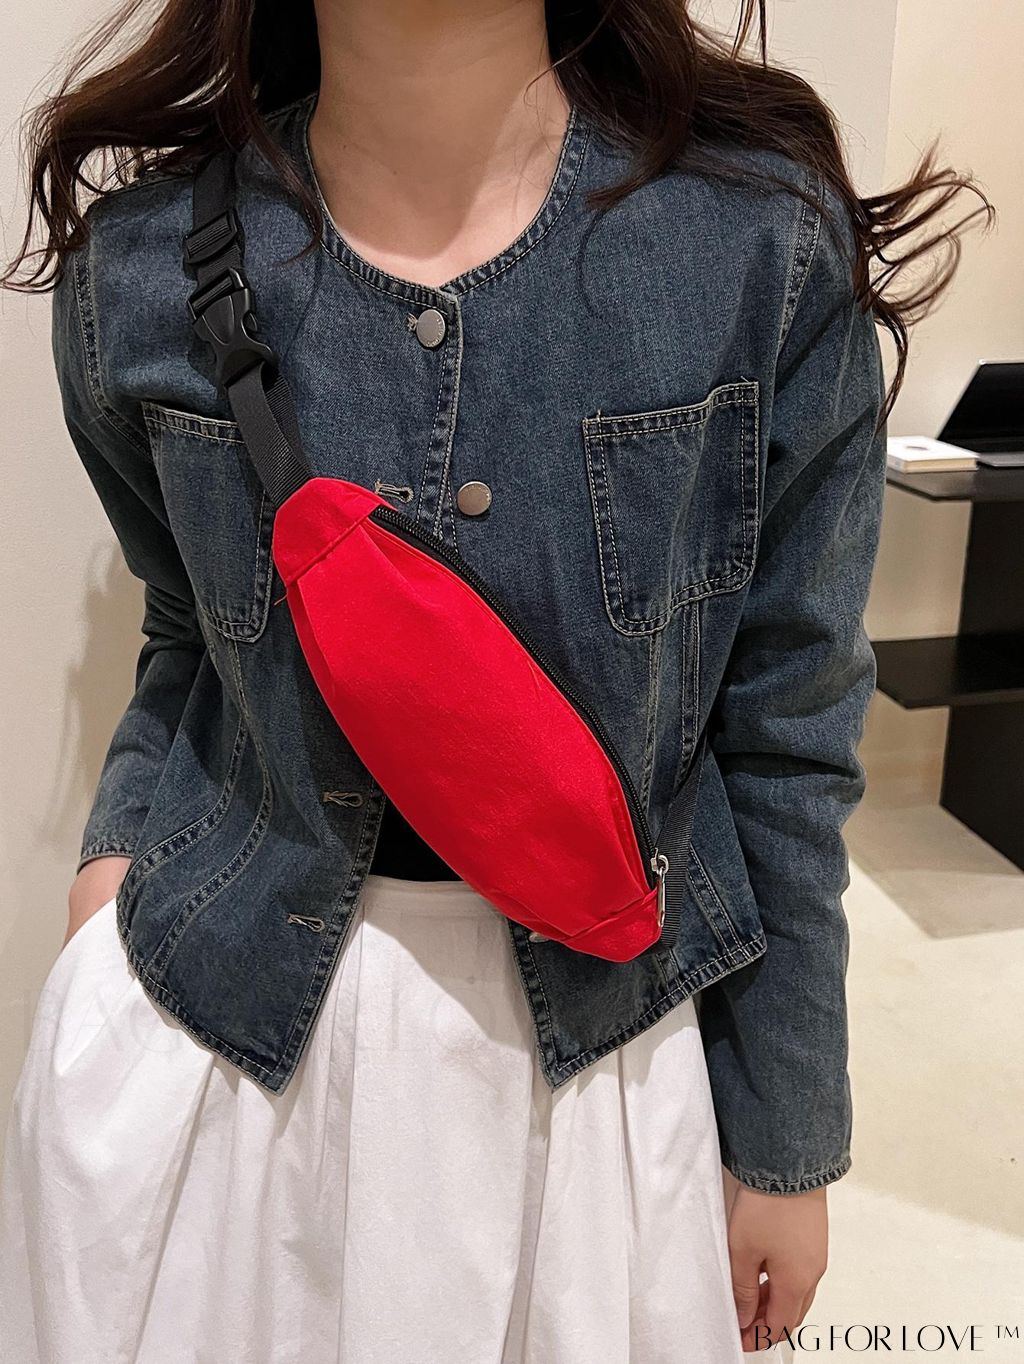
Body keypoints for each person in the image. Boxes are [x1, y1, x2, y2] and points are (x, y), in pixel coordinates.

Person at [0, 1, 988, 1360]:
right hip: (219, 1042)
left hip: (600, 1068)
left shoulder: (756, 246)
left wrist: (787, 1131)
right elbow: (187, 625)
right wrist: (110, 872)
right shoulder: (141, 265)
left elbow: (787, 726)